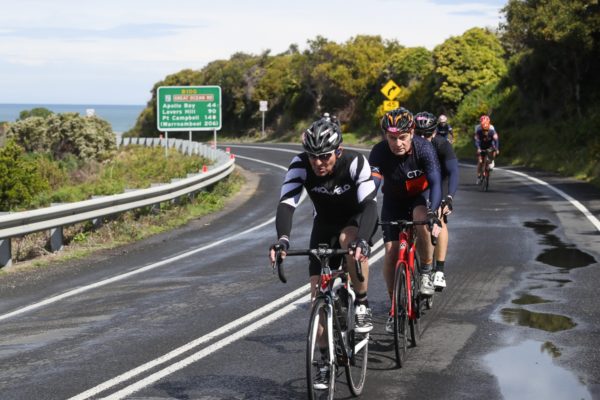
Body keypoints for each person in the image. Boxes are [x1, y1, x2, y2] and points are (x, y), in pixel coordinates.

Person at [269, 118, 378, 388]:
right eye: (313, 156)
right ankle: (324, 363)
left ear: (338, 151)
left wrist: (363, 240)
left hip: (355, 219)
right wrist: (282, 240)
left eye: (325, 156)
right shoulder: (300, 165)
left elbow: (369, 205)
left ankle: (362, 303)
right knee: (318, 294)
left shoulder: (354, 163)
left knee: (348, 242)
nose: (319, 162)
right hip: (324, 224)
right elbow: (286, 203)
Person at [368, 108, 442, 334]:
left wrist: (434, 212)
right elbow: (373, 183)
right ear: (385, 136)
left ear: (412, 133)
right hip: (393, 202)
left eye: (402, 137)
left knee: (421, 219)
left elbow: (436, 182)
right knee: (390, 254)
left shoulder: (423, 148)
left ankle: (427, 270)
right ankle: (395, 307)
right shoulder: (379, 152)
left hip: (419, 198)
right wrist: (365, 205)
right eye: (392, 138)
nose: (397, 143)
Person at [414, 111, 459, 291]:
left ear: (434, 133)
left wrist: (448, 198)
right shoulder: (411, 146)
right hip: (420, 183)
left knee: (438, 216)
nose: (423, 138)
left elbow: (453, 172)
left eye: (427, 134)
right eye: (419, 134)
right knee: (416, 219)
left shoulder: (442, 144)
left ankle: (439, 269)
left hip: (440, 182)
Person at [474, 115, 500, 184]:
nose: (485, 131)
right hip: (481, 145)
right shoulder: (478, 129)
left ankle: (491, 160)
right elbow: (477, 140)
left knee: (493, 149)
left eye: (486, 130)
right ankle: (479, 176)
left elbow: (496, 140)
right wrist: (478, 148)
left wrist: (496, 149)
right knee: (480, 161)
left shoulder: (492, 129)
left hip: (490, 144)